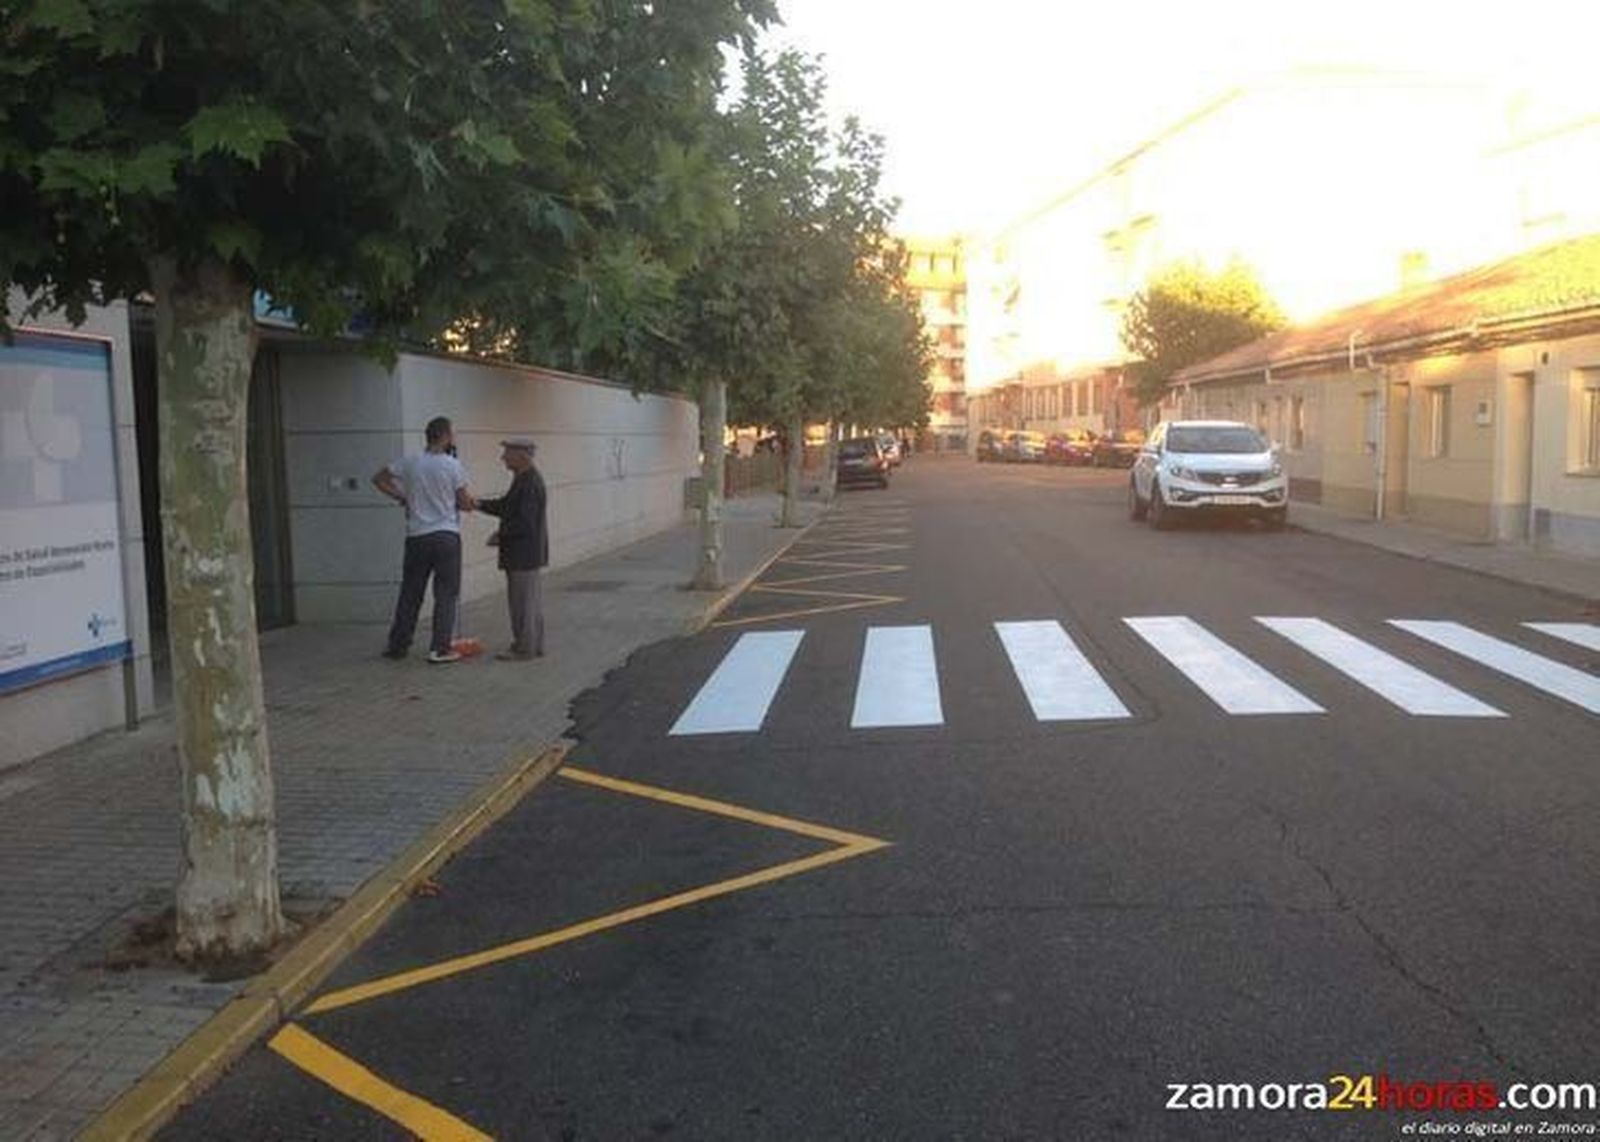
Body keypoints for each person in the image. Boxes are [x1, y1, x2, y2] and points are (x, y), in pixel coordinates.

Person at [373, 416, 476, 663]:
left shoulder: (410, 462)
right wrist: (469, 504)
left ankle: (398, 645)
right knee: (446, 593)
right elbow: (463, 501)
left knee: (410, 592)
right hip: (446, 536)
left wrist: (403, 498)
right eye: (453, 434)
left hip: (417, 536)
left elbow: (378, 479)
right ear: (445, 436)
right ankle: (440, 648)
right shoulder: (453, 466)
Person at [475, 437, 549, 661]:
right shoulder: (523, 479)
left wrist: (500, 535)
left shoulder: (529, 482)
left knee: (522, 604)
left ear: (522, 455)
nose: (503, 457)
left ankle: (524, 649)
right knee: (529, 603)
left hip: (523, 554)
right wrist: (478, 504)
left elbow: (524, 522)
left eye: (507, 453)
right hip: (526, 554)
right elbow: (506, 507)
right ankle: (534, 645)